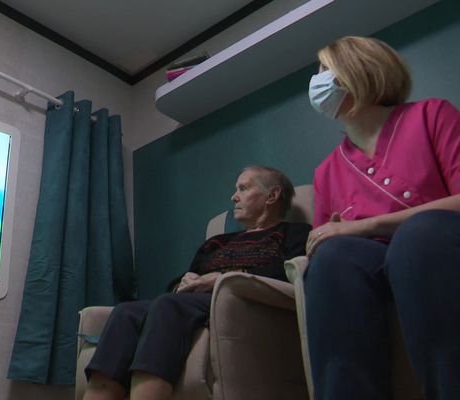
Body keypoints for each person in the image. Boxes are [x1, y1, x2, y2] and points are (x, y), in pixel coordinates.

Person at [304, 35, 460, 399]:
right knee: (332, 260)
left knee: (418, 236)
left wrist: (367, 225)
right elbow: (322, 240)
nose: (317, 81)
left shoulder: (431, 115)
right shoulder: (326, 171)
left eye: (325, 69)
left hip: (435, 249)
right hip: (371, 272)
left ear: (358, 69)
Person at [82, 165, 311, 400]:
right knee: (126, 312)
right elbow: (185, 277)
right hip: (191, 302)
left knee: (167, 306)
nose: (234, 196)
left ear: (272, 196)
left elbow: (291, 270)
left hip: (238, 302)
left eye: (243, 188)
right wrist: (182, 282)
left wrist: (222, 278)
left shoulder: (295, 233)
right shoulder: (217, 242)